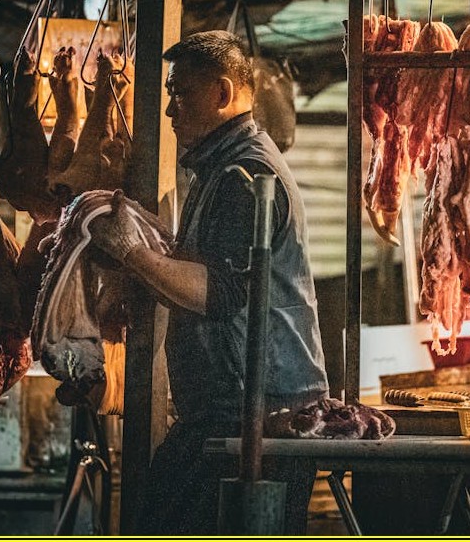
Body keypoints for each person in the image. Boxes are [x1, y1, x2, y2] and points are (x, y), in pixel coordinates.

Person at [89, 30, 328, 534]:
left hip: (257, 417)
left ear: (222, 94)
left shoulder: (246, 175)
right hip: (232, 412)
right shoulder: (220, 168)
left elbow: (217, 293)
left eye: (181, 94)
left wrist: (130, 252)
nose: (171, 110)